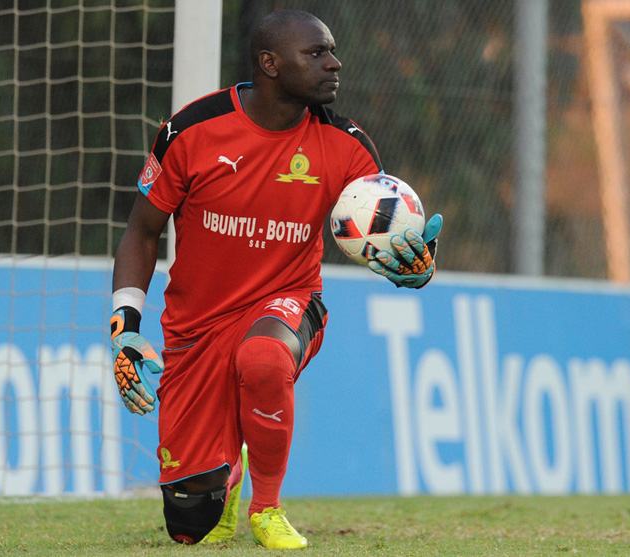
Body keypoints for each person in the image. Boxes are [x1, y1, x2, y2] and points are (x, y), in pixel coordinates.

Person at [109, 8, 442, 549]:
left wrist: (416, 270)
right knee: (190, 525)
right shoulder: (192, 131)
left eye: (331, 50)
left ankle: (267, 506)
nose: (334, 64)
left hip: (289, 303)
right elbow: (142, 232)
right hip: (196, 328)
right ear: (269, 64)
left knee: (262, 359)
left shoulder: (348, 146)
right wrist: (124, 325)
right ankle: (225, 477)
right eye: (316, 54)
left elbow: (386, 232)